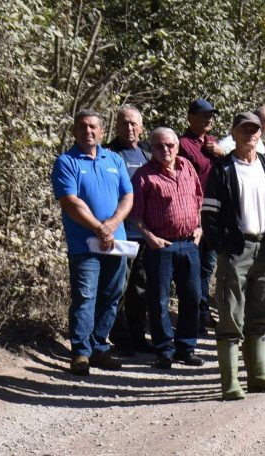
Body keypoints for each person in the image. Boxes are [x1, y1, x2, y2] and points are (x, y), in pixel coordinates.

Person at [202, 112, 265, 400]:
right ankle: (230, 382)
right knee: (230, 315)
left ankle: (259, 376)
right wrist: (222, 246)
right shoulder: (222, 169)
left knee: (262, 314)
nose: (250, 134)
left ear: (261, 133)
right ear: (234, 133)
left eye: (254, 129)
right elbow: (209, 214)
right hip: (236, 251)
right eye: (244, 129)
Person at [52, 110, 133, 376]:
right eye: (83, 127)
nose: (88, 131)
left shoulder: (115, 159)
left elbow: (127, 196)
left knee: (111, 296)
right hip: (84, 244)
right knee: (85, 296)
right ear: (75, 131)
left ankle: (99, 347)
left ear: (101, 131)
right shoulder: (66, 162)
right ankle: (80, 353)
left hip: (115, 242)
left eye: (94, 127)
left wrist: (111, 225)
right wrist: (99, 228)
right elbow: (70, 202)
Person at [130, 127, 204, 370]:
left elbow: (199, 200)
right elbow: (135, 216)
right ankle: (164, 351)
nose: (165, 150)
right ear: (151, 148)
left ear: (177, 146)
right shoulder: (143, 176)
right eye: (159, 146)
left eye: (170, 145)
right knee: (159, 300)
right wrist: (150, 237)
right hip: (161, 245)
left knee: (192, 297)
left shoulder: (188, 168)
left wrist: (200, 227)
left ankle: (186, 347)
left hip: (189, 243)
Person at [106, 105, 152, 356]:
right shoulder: (107, 153)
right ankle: (119, 338)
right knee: (118, 288)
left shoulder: (148, 152)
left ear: (141, 127)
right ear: (116, 126)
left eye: (134, 123)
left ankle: (137, 336)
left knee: (140, 289)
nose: (129, 127)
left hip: (144, 234)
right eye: (124, 123)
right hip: (119, 233)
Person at [178, 98, 226, 332]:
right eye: (204, 115)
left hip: (214, 214)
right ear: (190, 117)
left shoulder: (212, 143)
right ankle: (193, 314)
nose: (209, 119)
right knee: (193, 267)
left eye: (211, 115)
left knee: (208, 266)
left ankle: (203, 310)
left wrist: (221, 152)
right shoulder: (182, 145)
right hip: (194, 215)